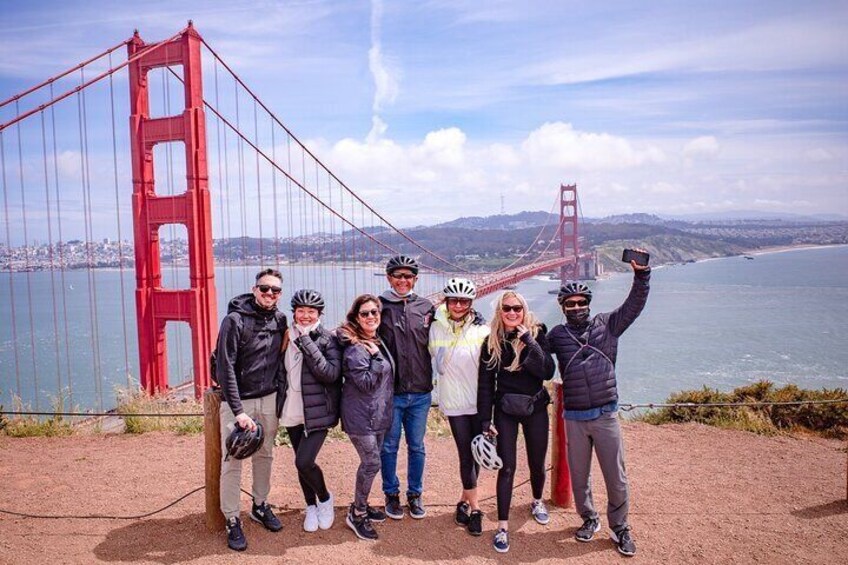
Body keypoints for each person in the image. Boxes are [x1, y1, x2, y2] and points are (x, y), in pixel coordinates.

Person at [547, 254, 651, 557]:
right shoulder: (557, 335)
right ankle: (589, 519)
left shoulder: (608, 325)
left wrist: (641, 275)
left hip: (605, 414)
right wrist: (520, 330)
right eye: (570, 304)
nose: (576, 308)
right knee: (580, 477)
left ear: (588, 304)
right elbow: (537, 358)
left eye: (581, 303)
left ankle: (620, 528)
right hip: (575, 417)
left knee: (615, 477)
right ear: (563, 308)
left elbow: (634, 305)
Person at [477, 291, 555, 553]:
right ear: (500, 311)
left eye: (517, 308)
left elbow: (546, 371)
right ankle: (502, 527)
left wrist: (528, 341)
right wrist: (485, 420)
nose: (512, 313)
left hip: (535, 407)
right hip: (505, 411)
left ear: (524, 309)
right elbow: (485, 385)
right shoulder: (491, 342)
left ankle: (536, 501)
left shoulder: (537, 332)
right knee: (507, 468)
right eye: (507, 308)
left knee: (537, 462)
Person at [215, 268, 287, 552]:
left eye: (275, 291)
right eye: (264, 288)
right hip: (239, 403)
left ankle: (259, 505)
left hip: (268, 399)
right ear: (254, 289)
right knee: (233, 460)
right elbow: (225, 367)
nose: (269, 294)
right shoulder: (234, 320)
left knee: (265, 455)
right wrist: (238, 410)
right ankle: (232, 518)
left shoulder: (280, 319)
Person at [428, 277, 489, 536]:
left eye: (465, 301)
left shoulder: (482, 330)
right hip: (454, 402)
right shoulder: (435, 327)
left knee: (478, 456)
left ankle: (464, 500)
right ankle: (475, 509)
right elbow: (436, 360)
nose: (459, 305)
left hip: (479, 402)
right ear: (446, 301)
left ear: (471, 302)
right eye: (454, 300)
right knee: (466, 454)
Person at [278, 289, 342, 533]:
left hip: (318, 412)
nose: (305, 316)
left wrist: (305, 340)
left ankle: (325, 499)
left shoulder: (328, 339)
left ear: (319, 314)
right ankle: (310, 506)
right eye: (301, 311)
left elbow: (330, 374)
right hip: (291, 408)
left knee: (304, 461)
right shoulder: (284, 336)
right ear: (294, 312)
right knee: (299, 463)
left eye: (311, 311)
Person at [378, 255, 435, 520]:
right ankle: (391, 494)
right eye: (398, 276)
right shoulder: (378, 306)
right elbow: (356, 329)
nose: (403, 280)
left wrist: (475, 318)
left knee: (417, 446)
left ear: (415, 279)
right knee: (389, 447)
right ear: (389, 278)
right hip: (391, 392)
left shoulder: (427, 307)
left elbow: (449, 328)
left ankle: (415, 494)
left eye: (408, 276)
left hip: (421, 392)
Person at [338, 294, 396, 541]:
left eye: (375, 312)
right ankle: (357, 513)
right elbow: (366, 383)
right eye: (365, 313)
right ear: (356, 318)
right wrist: (377, 359)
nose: (371, 317)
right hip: (361, 418)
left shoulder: (375, 341)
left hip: (378, 415)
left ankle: (361, 504)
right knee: (372, 463)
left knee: (373, 463)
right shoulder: (356, 349)